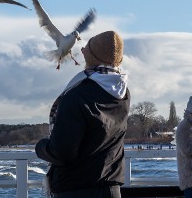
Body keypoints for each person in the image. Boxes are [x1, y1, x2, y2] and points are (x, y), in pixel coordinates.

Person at [35, 30, 130, 198]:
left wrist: (41, 147)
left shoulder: (77, 95)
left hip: (76, 189)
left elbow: (63, 152)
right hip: (111, 189)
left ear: (90, 58)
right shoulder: (123, 93)